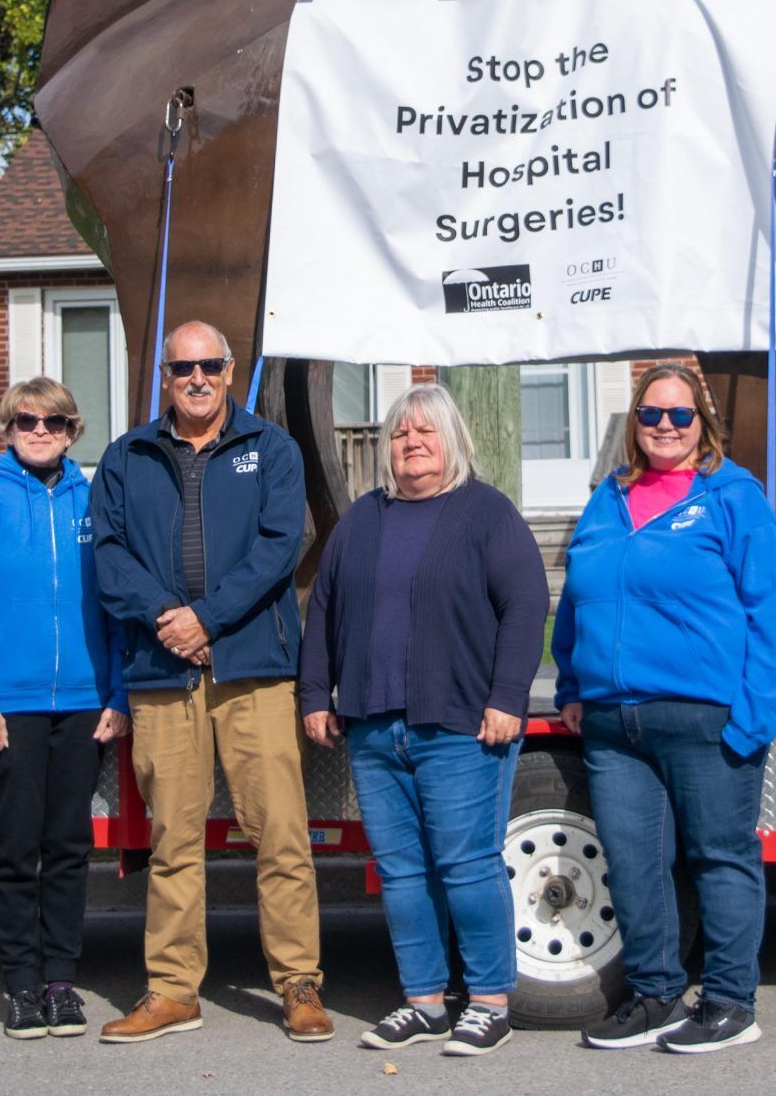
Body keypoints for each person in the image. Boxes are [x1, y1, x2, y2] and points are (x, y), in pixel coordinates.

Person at [552, 363, 776, 1054]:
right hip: (614, 725)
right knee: (634, 864)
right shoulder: (609, 496)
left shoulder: (732, 496)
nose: (664, 426)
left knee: (719, 857)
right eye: (651, 414)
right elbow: (579, 593)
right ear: (634, 422)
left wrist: (754, 714)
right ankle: (656, 992)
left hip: (705, 718)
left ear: (703, 425)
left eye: (680, 415)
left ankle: (729, 1000)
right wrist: (573, 684)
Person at [89, 320, 331, 1045]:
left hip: (252, 667)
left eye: (210, 365)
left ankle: (298, 981)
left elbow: (280, 545)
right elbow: (109, 555)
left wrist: (207, 618)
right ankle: (171, 990)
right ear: (164, 376)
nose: (196, 377)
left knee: (281, 832)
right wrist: (167, 615)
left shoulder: (271, 449)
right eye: (182, 367)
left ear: (230, 371)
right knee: (174, 839)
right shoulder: (126, 457)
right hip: (163, 673)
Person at [300, 385, 548, 1058]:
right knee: (402, 870)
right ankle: (425, 1000)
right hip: (375, 724)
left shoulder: (485, 513)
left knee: (467, 864)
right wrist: (316, 694)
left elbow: (527, 606)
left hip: (460, 723)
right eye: (401, 433)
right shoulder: (362, 518)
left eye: (425, 432)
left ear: (453, 441)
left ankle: (490, 1000)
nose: (411, 443)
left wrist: (506, 698)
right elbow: (322, 608)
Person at [0, 378, 130, 1041]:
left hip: (82, 704)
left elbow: (119, 605)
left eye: (52, 421)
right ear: (7, 427)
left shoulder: (95, 503)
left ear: (73, 430)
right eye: (24, 419)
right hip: (9, 707)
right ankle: (20, 985)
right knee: (18, 849)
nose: (38, 429)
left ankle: (61, 984)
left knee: (70, 846)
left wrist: (118, 693)